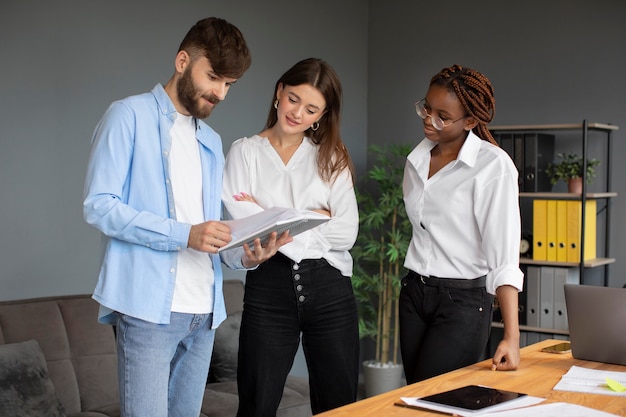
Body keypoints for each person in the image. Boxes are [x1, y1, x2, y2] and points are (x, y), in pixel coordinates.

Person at [82, 17, 291, 417]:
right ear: (182, 61)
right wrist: (184, 235)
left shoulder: (210, 141)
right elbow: (100, 205)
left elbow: (208, 229)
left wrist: (246, 255)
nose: (220, 93)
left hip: (205, 312)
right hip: (148, 313)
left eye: (229, 84)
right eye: (214, 77)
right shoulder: (128, 116)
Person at [221, 58, 360, 416]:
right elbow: (237, 234)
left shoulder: (332, 157)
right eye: (294, 99)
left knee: (339, 407)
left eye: (311, 108)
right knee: (256, 405)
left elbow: (346, 233)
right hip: (269, 291)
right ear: (279, 92)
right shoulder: (245, 152)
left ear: (322, 115)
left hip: (331, 292)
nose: (298, 113)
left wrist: (267, 215)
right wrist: (314, 219)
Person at [399, 64, 523, 384]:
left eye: (442, 115)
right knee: (415, 396)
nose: (429, 119)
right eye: (427, 108)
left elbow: (504, 258)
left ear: (470, 121)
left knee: (435, 396)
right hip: (414, 293)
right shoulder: (416, 160)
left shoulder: (492, 167)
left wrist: (511, 335)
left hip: (463, 302)